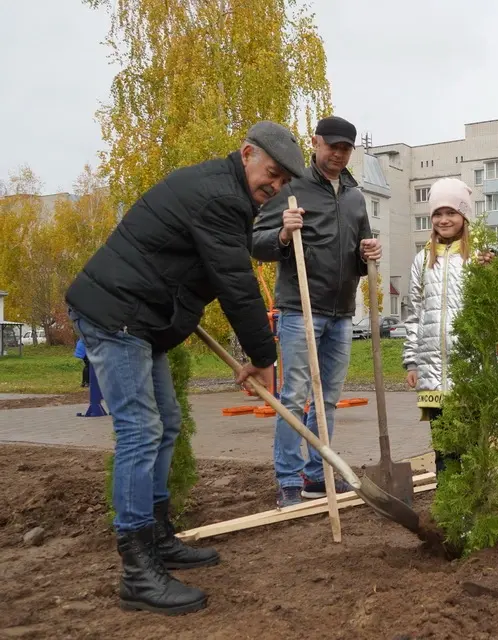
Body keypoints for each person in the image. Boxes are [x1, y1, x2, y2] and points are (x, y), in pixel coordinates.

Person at [65, 121, 302, 616]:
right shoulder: (220, 198)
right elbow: (235, 281)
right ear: (247, 154)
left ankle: (157, 536)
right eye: (272, 174)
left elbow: (210, 266)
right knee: (140, 430)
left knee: (166, 422)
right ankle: (137, 570)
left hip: (141, 318)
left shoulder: (226, 191)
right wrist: (263, 358)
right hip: (117, 314)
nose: (275, 186)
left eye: (283, 181)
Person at [251, 115, 382, 507]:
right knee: (294, 396)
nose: (338, 155)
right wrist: (282, 232)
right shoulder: (292, 188)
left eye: (345, 149)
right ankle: (289, 479)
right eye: (332, 147)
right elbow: (256, 243)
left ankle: (315, 475)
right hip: (299, 309)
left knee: (326, 400)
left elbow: (360, 251)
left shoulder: (355, 197)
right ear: (316, 143)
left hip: (342, 312)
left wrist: (368, 252)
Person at [402, 178, 475, 479]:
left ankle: (472, 496)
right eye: (437, 213)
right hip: (431, 372)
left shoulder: (475, 258)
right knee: (442, 443)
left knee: (469, 441)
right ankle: (448, 497)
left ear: (464, 216)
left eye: (451, 212)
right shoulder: (422, 260)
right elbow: (414, 314)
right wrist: (412, 361)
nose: (444, 220)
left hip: (468, 369)